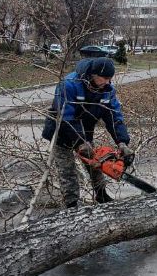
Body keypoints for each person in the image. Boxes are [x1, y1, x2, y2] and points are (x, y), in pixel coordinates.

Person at [42, 57, 134, 208]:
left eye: (109, 79)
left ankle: (101, 194)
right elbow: (65, 116)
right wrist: (80, 142)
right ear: (93, 74)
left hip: (85, 131)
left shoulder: (107, 91)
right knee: (67, 170)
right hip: (62, 130)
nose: (107, 82)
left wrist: (122, 141)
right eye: (104, 78)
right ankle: (71, 204)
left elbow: (114, 117)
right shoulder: (69, 84)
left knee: (95, 164)